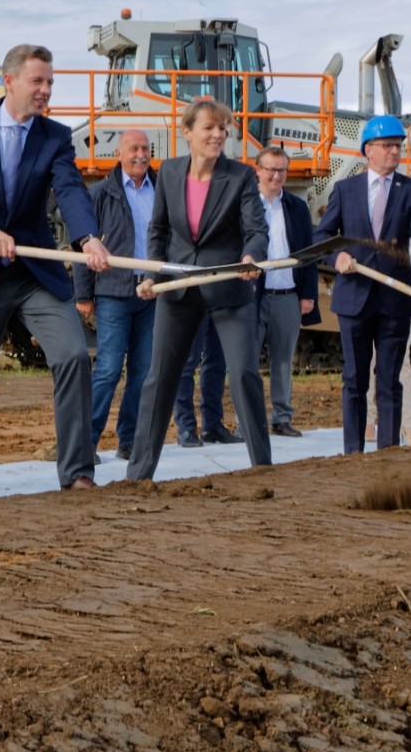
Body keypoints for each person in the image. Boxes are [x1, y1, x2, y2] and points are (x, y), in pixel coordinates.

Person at [0, 44, 110, 499]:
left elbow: (69, 190)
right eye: (38, 81)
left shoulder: (55, 136)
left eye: (50, 82)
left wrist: (87, 238)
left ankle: (77, 473)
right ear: (9, 81)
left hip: (34, 274)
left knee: (72, 356)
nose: (46, 90)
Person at [124, 97, 271, 481]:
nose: (218, 134)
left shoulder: (240, 176)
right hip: (178, 288)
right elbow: (158, 230)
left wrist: (251, 255)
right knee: (160, 377)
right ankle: (138, 475)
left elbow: (256, 229)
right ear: (187, 132)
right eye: (209, 127)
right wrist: (153, 276)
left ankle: (263, 468)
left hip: (227, 286)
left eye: (223, 128)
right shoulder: (170, 172)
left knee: (244, 374)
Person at [314, 114, 411, 453]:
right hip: (354, 299)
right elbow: (323, 236)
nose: (395, 151)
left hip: (394, 301)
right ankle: (353, 453)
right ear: (368, 150)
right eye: (387, 145)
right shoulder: (345, 190)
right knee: (355, 381)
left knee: (389, 380)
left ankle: (388, 454)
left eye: (398, 146)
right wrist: (338, 257)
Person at [76, 128, 158, 459]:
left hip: (151, 292)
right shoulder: (99, 194)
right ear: (118, 154)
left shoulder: (161, 191)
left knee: (143, 371)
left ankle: (129, 440)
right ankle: (87, 441)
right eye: (133, 148)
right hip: (113, 293)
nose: (140, 154)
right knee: (109, 369)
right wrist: (84, 294)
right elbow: (81, 246)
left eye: (145, 148)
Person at [251, 144, 320, 438]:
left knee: (282, 362)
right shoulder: (246, 206)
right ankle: (249, 422)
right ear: (258, 171)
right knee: (247, 363)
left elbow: (308, 253)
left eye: (281, 170)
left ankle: (282, 418)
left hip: (287, 296)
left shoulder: (297, 208)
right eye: (270, 170)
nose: (276, 176)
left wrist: (308, 295)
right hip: (252, 298)